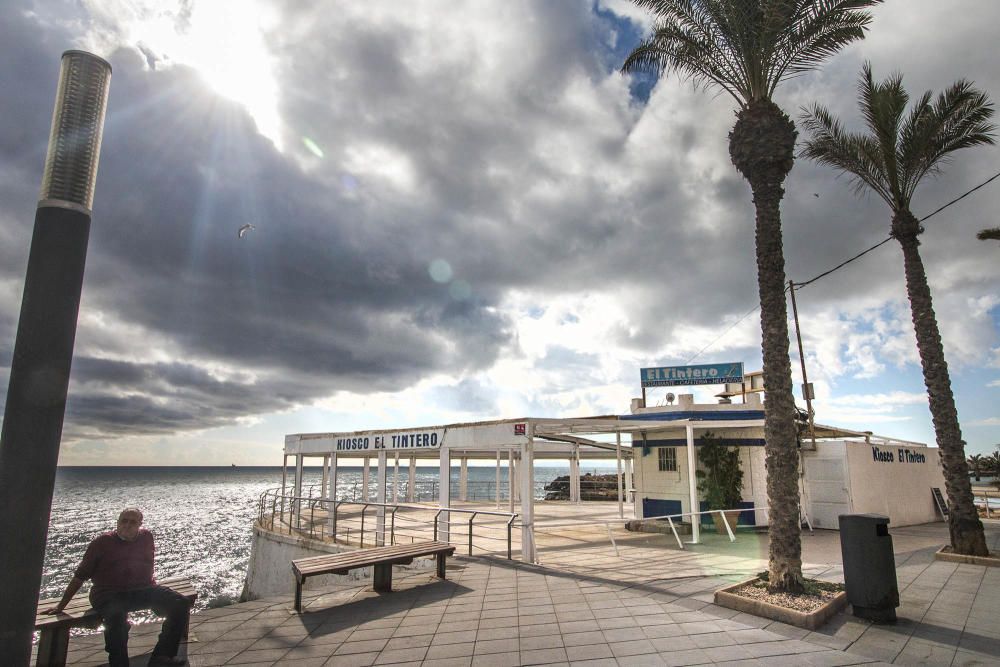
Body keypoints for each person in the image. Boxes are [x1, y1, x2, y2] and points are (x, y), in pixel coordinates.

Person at [45, 508, 190, 666]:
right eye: (124, 520)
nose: (127, 525)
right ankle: (118, 663)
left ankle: (162, 657)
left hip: (142, 590)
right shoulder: (101, 543)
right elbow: (80, 576)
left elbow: (146, 565)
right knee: (117, 617)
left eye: (132, 522)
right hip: (108, 593)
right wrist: (61, 606)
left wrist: (156, 596)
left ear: (140, 525)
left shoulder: (147, 537)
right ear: (118, 522)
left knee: (180, 603)